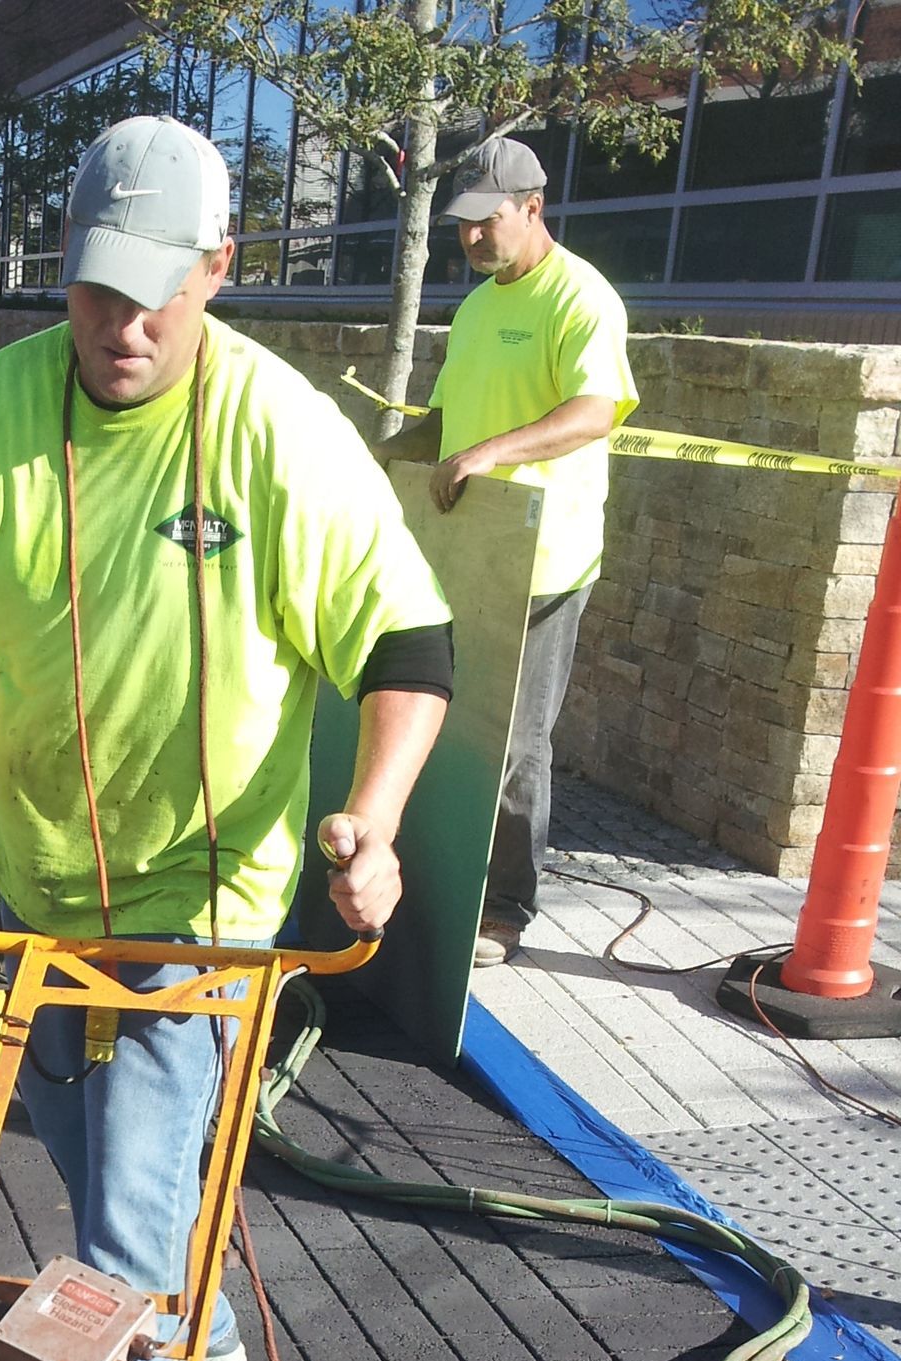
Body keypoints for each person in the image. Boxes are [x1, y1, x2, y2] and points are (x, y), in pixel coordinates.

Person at [0, 115, 454, 1361]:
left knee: (127, 1188)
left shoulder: (275, 429)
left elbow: (406, 639)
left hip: (209, 894)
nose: (122, 327)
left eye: (158, 294)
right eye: (92, 294)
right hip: (48, 881)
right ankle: (183, 1309)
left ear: (221, 268)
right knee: (74, 1149)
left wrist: (375, 815)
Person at [380, 136, 638, 966]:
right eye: (462, 227)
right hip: (471, 551)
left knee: (518, 742)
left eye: (486, 223)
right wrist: (383, 452)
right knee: (451, 722)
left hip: (547, 559)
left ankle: (505, 910)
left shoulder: (581, 298)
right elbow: (447, 425)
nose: (472, 241)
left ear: (533, 206)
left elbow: (598, 409)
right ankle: (442, 882)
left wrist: (492, 453)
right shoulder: (480, 306)